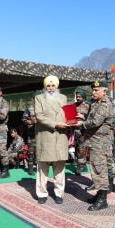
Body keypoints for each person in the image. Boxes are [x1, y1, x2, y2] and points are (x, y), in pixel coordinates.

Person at [74, 80, 114, 211]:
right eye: (94, 90)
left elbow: (96, 121)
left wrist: (82, 124)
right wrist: (82, 116)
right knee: (96, 168)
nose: (94, 92)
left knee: (99, 170)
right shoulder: (95, 103)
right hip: (94, 141)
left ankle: (103, 200)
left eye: (97, 90)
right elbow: (92, 117)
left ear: (104, 91)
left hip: (100, 142)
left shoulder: (105, 104)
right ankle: (99, 195)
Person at [34, 75, 69, 205]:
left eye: (53, 85)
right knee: (43, 168)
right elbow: (39, 116)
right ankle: (42, 193)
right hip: (46, 136)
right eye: (48, 85)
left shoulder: (63, 98)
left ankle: (59, 193)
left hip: (60, 136)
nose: (51, 88)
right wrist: (55, 124)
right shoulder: (39, 98)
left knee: (59, 168)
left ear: (57, 86)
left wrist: (72, 121)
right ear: (45, 86)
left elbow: (67, 115)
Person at [73, 90, 90, 176]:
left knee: (81, 148)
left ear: (83, 97)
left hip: (84, 130)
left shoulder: (88, 105)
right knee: (77, 147)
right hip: (75, 129)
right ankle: (83, 165)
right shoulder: (74, 105)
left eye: (80, 96)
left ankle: (81, 166)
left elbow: (91, 117)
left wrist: (82, 117)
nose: (78, 98)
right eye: (77, 96)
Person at [22, 95, 39, 175]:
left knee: (41, 152)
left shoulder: (45, 106)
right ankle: (31, 168)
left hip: (41, 134)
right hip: (32, 133)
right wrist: (30, 122)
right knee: (31, 152)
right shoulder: (30, 107)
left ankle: (40, 168)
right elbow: (24, 119)